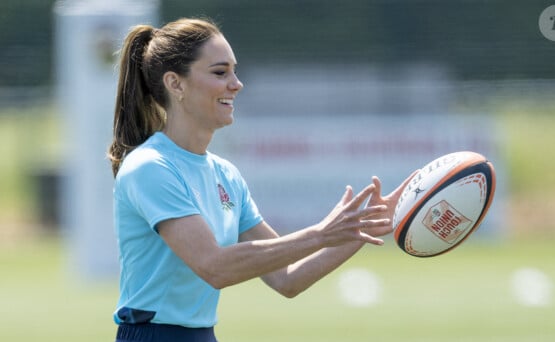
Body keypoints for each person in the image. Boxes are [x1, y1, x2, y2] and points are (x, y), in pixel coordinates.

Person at [108, 17, 415, 342]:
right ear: (176, 83)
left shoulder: (225, 174)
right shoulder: (150, 167)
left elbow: (286, 279)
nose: (236, 83)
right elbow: (215, 267)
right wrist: (322, 233)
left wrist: (358, 229)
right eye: (219, 72)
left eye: (235, 71)